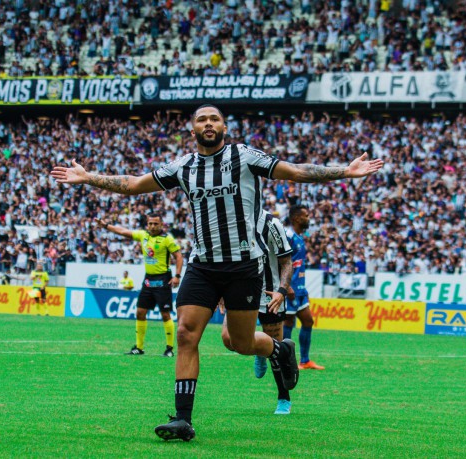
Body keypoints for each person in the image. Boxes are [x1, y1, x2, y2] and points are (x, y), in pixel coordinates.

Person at [50, 104, 384, 442]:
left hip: (243, 266)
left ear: (224, 127)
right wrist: (88, 177)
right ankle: (183, 419)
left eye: (215, 119)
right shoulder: (184, 166)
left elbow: (295, 171)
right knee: (185, 334)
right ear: (192, 130)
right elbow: (135, 184)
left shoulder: (245, 156)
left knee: (239, 343)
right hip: (202, 265)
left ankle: (279, 349)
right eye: (201, 120)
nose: (209, 124)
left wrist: (345, 171)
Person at [220, 211, 295, 414]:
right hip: (240, 290)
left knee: (277, 353)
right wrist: (221, 291)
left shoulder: (271, 223)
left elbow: (286, 262)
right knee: (228, 339)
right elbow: (225, 259)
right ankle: (261, 346)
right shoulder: (230, 220)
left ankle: (283, 398)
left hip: (269, 294)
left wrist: (281, 291)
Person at [96, 213, 183, 357]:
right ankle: (139, 347)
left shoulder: (167, 239)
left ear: (161, 225)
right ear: (147, 224)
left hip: (163, 280)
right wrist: (106, 226)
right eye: (150, 224)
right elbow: (123, 232)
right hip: (148, 280)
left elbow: (178, 256)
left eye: (156, 224)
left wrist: (177, 276)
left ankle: (169, 348)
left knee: (165, 314)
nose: (153, 226)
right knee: (140, 312)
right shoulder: (143, 235)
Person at [283, 205, 325, 370]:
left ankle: (305, 360)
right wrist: (286, 286)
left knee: (308, 321)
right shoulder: (288, 236)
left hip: (300, 289)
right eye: (306, 215)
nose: (309, 218)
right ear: (296, 218)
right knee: (288, 322)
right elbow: (280, 261)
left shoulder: (299, 237)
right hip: (290, 289)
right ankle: (286, 360)